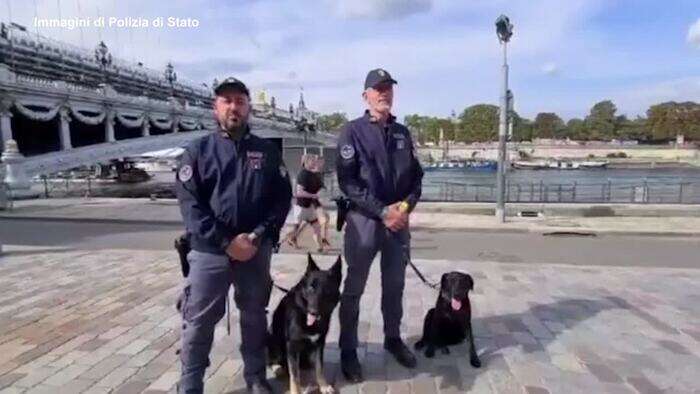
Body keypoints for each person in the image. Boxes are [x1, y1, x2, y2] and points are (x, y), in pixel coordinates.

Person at [175, 77, 292, 394]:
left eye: (239, 101)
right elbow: (190, 207)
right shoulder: (198, 153)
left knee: (254, 316)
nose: (233, 107)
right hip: (209, 252)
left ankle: (255, 377)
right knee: (198, 321)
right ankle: (190, 385)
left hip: (254, 251)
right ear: (216, 108)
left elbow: (281, 200)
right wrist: (227, 243)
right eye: (226, 101)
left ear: (248, 107)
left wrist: (256, 236)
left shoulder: (267, 152)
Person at [335, 68, 424, 382]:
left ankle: (393, 338)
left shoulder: (402, 132)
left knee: (395, 286)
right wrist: (382, 211)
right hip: (364, 222)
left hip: (397, 223)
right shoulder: (352, 131)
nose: (384, 93)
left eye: (388, 88)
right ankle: (348, 350)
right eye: (377, 89)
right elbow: (348, 182)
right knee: (354, 289)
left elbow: (417, 178)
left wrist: (404, 208)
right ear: (366, 96)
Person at [284, 154, 331, 252]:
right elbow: (299, 192)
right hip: (301, 206)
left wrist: (321, 192)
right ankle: (290, 237)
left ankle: (319, 246)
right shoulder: (303, 174)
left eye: (314, 160)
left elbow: (319, 187)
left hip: (310, 206)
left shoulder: (312, 174)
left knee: (316, 226)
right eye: (312, 161)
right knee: (297, 227)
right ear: (306, 162)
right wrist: (312, 195)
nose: (314, 162)